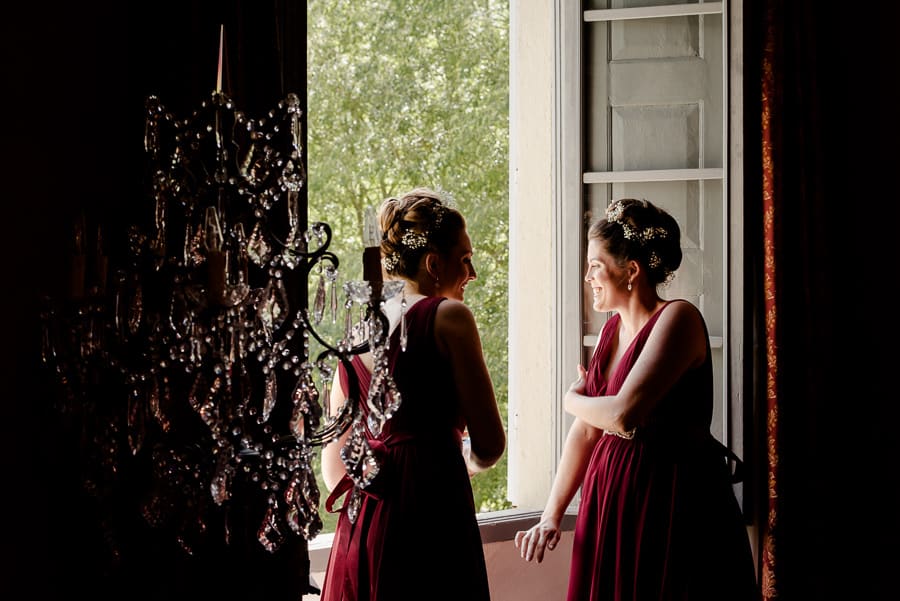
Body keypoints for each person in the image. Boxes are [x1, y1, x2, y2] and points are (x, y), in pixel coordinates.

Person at [514, 198, 758, 600]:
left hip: (669, 500)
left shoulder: (678, 319)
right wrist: (550, 516)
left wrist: (570, 398)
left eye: (596, 264)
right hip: (610, 497)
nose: (588, 275)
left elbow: (623, 415)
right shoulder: (611, 333)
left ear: (631, 271)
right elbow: (588, 430)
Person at [320, 187, 506, 601]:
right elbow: (491, 445)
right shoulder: (449, 318)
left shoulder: (354, 335)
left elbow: (334, 470)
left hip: (362, 530)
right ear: (433, 264)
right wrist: (461, 461)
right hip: (429, 524)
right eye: (465, 259)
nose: (472, 273)